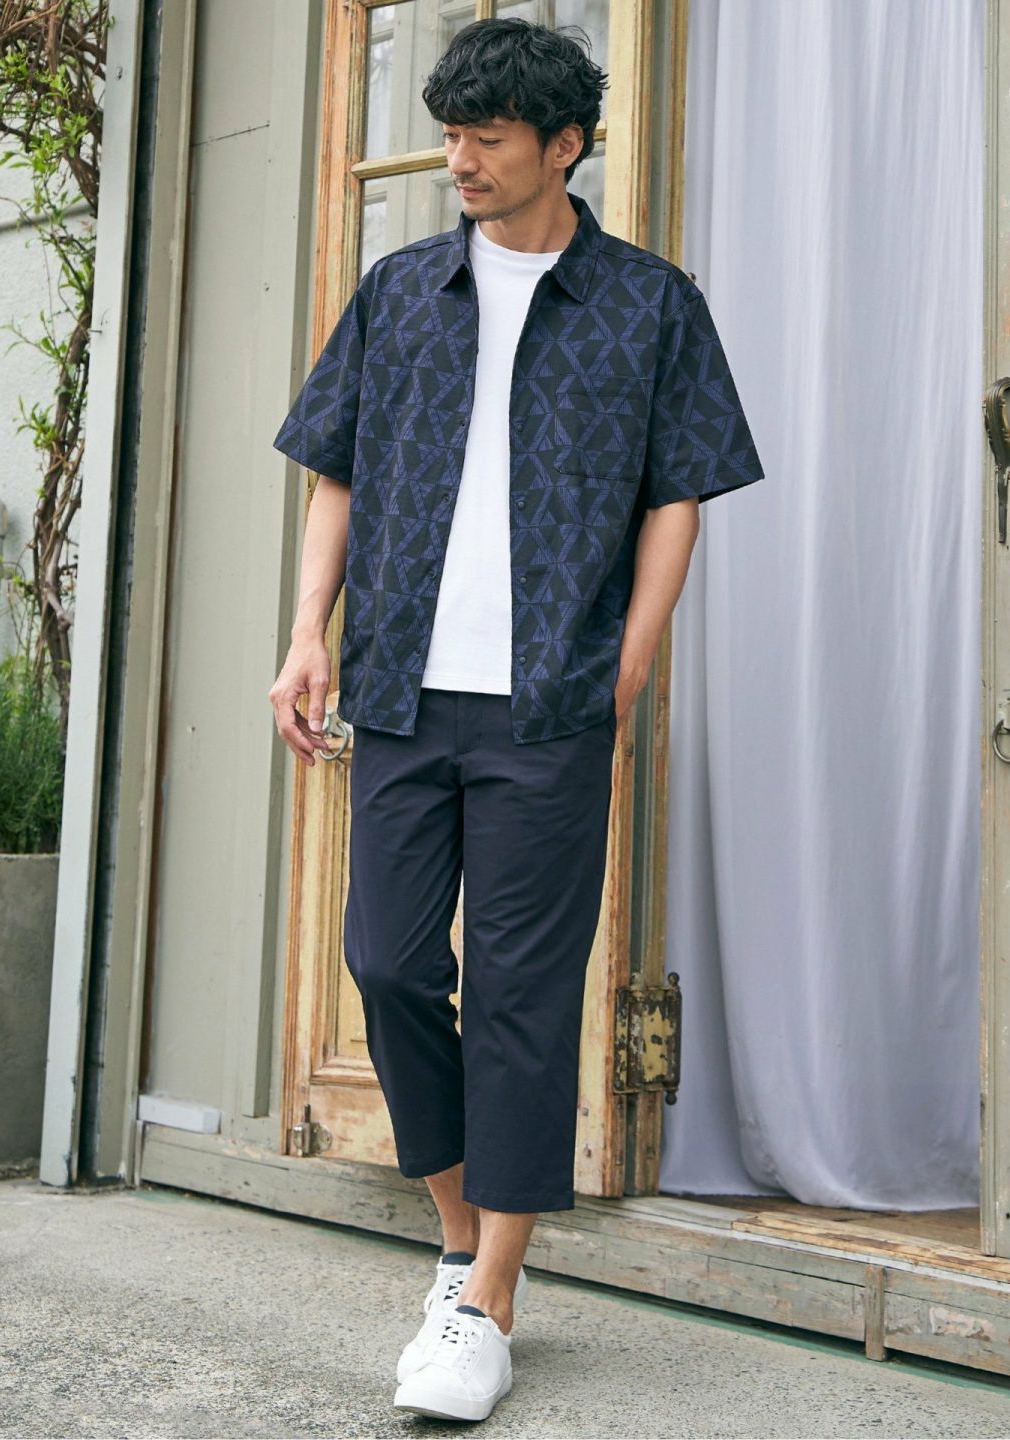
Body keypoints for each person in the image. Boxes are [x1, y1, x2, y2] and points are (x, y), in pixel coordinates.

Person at [268, 16, 763, 1424]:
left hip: (550, 698)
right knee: (387, 961)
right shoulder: (399, 290)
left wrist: (630, 660)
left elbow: (680, 491)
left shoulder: (651, 303)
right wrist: (308, 634)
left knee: (525, 999)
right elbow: (336, 471)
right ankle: (457, 1238)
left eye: (488, 138)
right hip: (402, 688)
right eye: (451, 135)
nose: (461, 161)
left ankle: (488, 1296)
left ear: (565, 145)